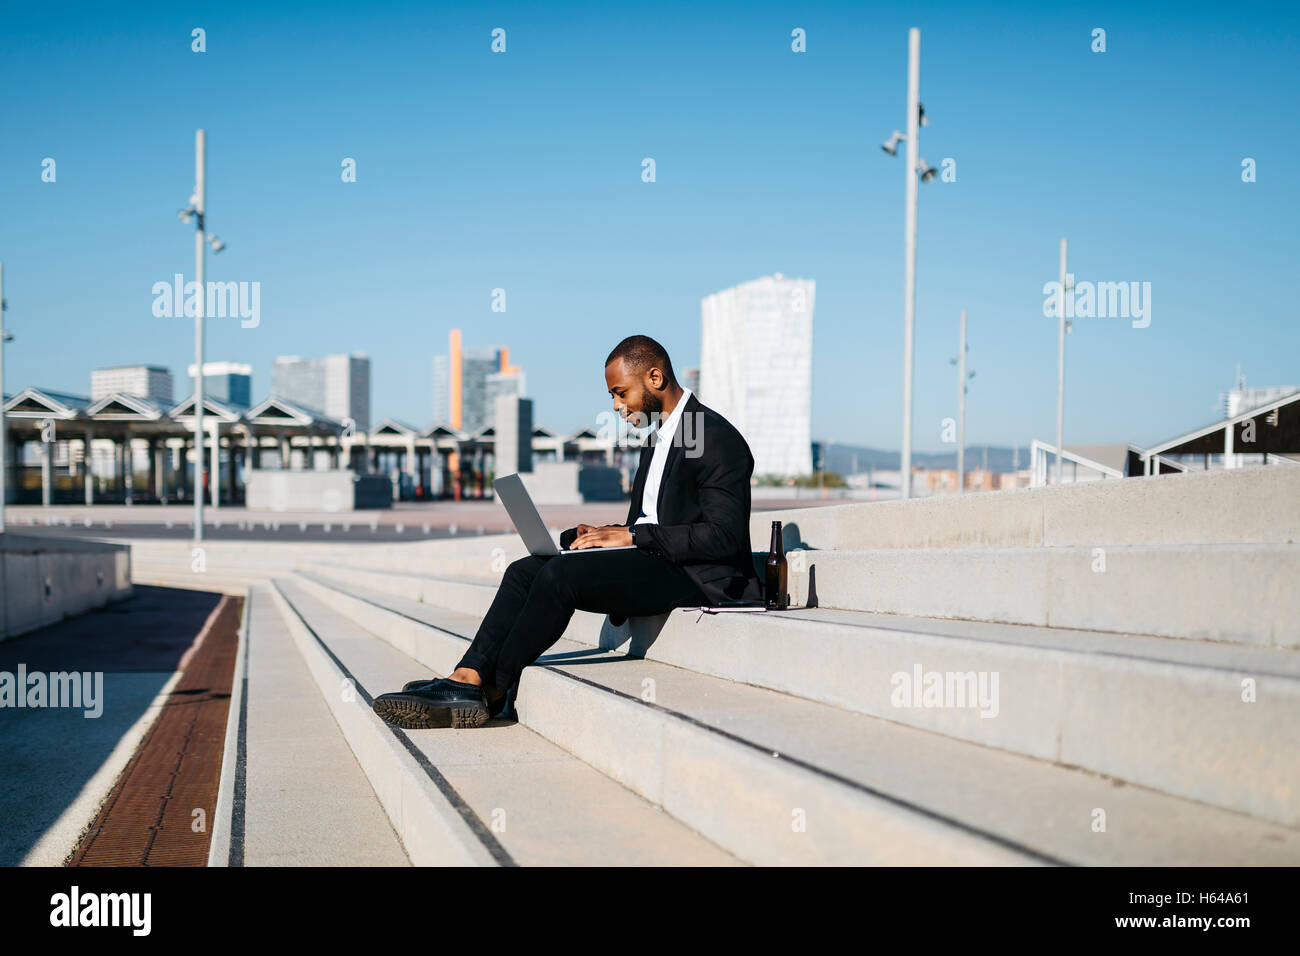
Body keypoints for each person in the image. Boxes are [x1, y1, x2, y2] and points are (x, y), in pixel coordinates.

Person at [371, 334, 762, 729]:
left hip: (693, 573)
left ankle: (493, 690)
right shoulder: (657, 439)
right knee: (526, 569)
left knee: (559, 576)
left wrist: (633, 537)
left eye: (620, 393)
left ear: (655, 378)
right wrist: (603, 534)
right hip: (655, 557)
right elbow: (654, 520)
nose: (616, 406)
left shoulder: (713, 437)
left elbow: (723, 536)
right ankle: (466, 675)